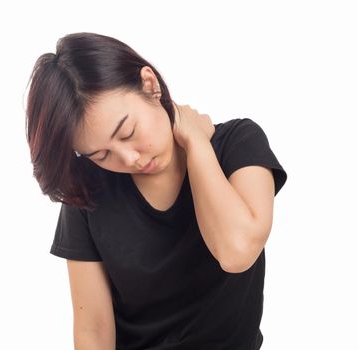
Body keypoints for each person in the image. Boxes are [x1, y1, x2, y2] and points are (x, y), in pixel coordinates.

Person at [25, 32, 288, 350]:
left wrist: (196, 144)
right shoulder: (89, 192)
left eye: (127, 132)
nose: (129, 159)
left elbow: (236, 252)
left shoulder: (238, 144)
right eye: (102, 155)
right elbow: (93, 330)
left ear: (150, 85)